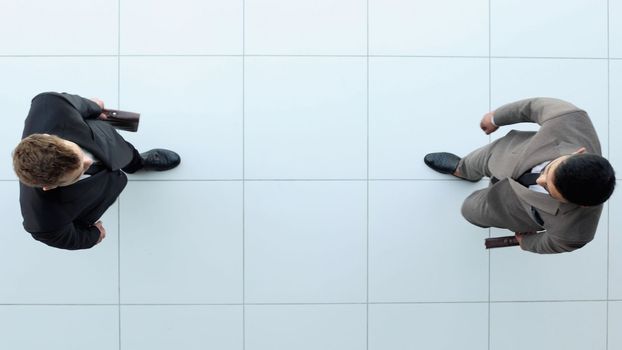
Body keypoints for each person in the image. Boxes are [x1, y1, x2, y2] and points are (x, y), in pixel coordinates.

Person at [424, 97, 616, 254]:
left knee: (469, 210)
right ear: (577, 153)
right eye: (547, 171)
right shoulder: (571, 120)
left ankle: (475, 201)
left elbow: (555, 243)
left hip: (510, 208)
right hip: (505, 154)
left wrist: (527, 242)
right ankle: (462, 169)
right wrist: (495, 118)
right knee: (475, 161)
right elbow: (533, 107)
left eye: (549, 189)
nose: (540, 180)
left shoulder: (577, 231)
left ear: (583, 205)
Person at [12, 92, 181, 250]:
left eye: (77, 152)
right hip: (96, 194)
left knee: (126, 152)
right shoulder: (42, 220)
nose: (88, 160)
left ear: (49, 136)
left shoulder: (49, 104)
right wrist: (94, 236)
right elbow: (68, 238)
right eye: (79, 172)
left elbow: (78, 104)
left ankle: (138, 163)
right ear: (50, 187)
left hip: (104, 142)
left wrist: (94, 108)